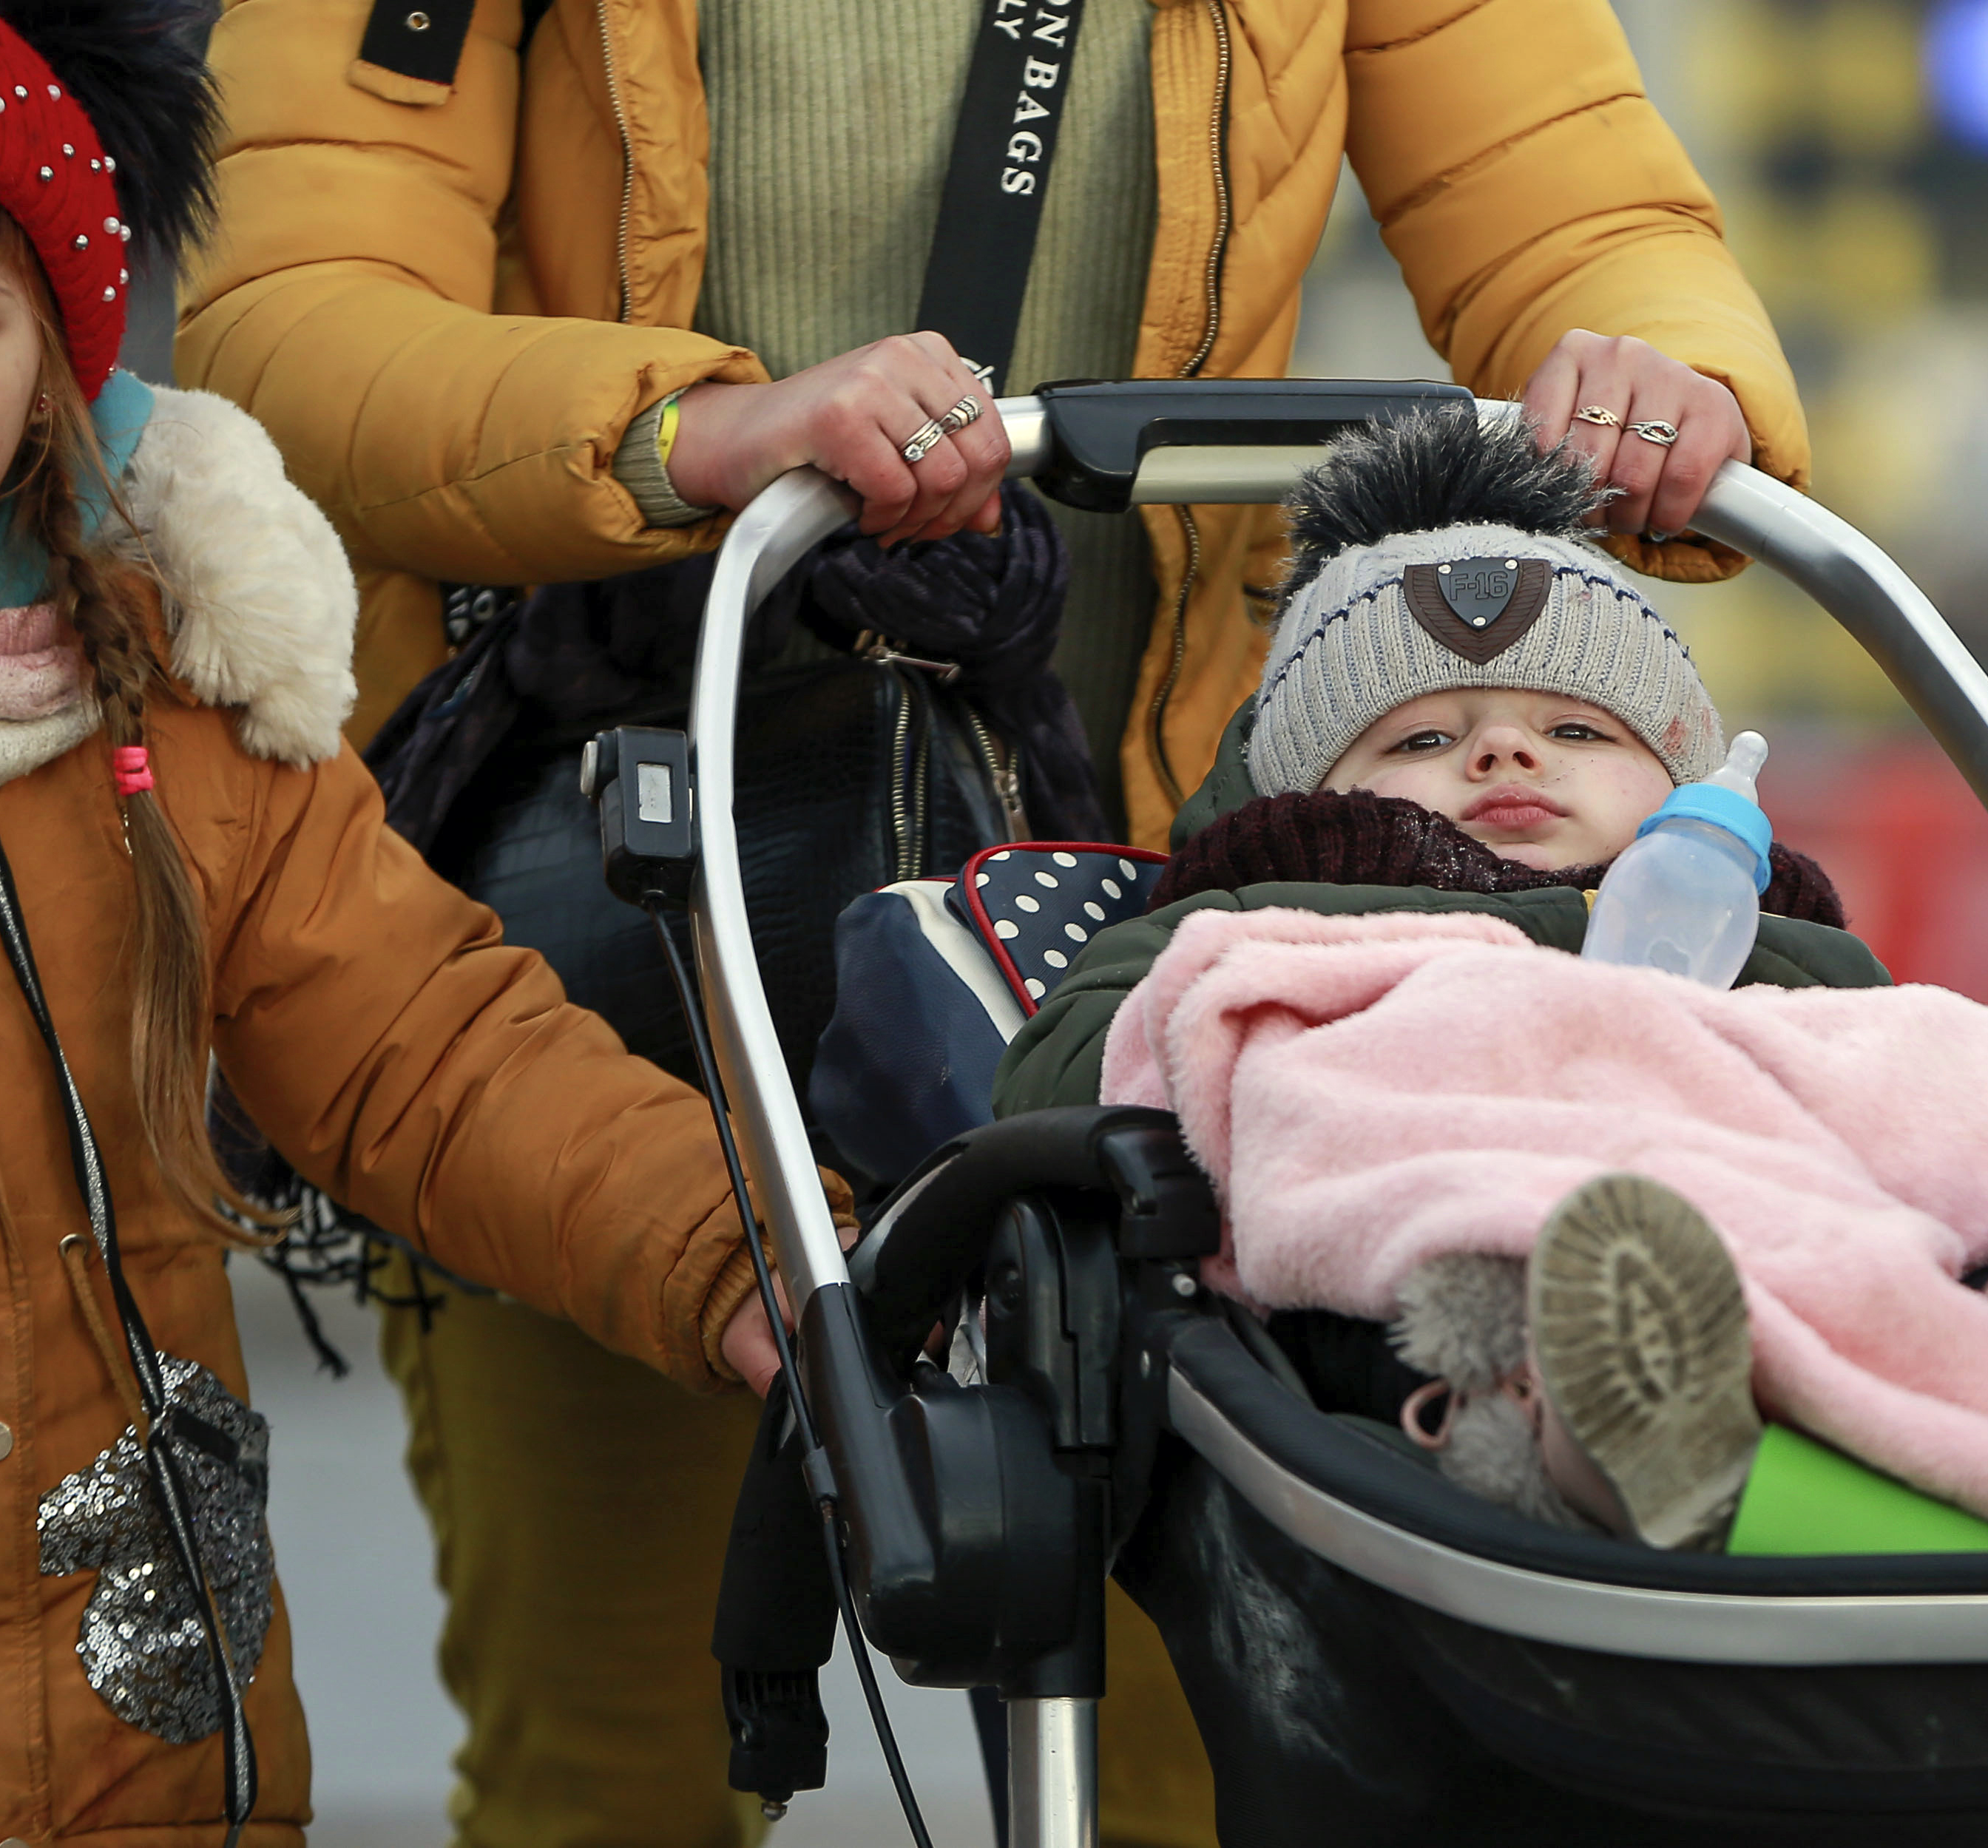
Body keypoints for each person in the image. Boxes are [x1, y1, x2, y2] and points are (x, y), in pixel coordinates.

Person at [183, 3, 1817, 1838]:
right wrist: (689, 428)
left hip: (1175, 949)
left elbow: (1566, 193)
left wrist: (1669, 373)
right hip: (648, 931)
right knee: (613, 1750)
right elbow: (284, 303)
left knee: (1211, 1744)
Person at [0, 2, 796, 1841]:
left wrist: (757, 1263)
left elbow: (434, 1057)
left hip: (127, 1764)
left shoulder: (183, 719)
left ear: (62, 356)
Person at [1005, 410, 1988, 1560]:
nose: (1507, 747)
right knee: (1427, 1189)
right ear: (1309, 794)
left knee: (1950, 1077)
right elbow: (1075, 1066)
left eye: (1579, 730)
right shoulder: (1263, 912)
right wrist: (1292, 983)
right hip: (1483, 1290)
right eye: (1420, 738)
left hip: (1816, 1246)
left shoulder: (1772, 942)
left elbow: (1880, 1087)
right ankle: (1619, 1421)